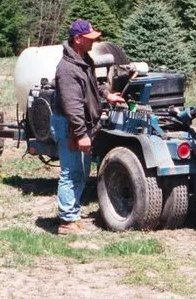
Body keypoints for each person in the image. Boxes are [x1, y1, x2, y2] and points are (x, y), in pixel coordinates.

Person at [52, 19, 125, 235]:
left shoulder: (84, 59)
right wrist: (81, 134)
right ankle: (66, 222)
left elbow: (94, 84)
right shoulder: (67, 69)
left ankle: (71, 215)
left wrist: (107, 95)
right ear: (77, 39)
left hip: (79, 123)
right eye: (90, 38)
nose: (95, 41)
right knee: (71, 172)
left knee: (81, 171)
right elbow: (72, 106)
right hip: (70, 124)